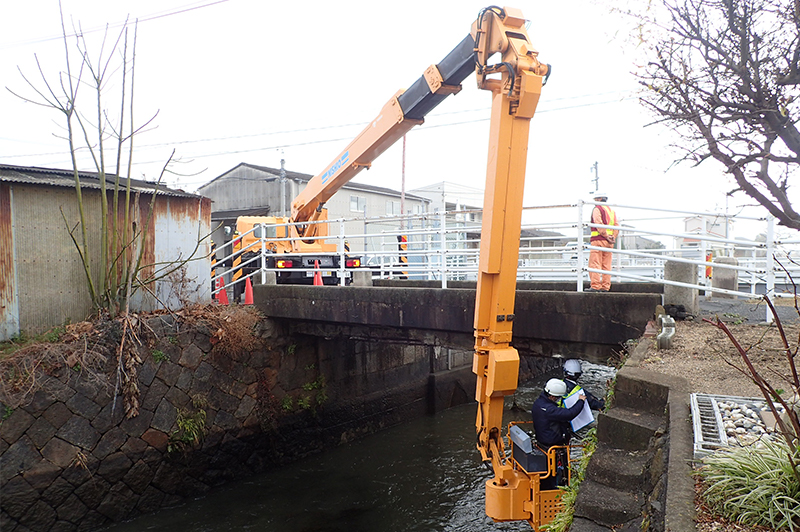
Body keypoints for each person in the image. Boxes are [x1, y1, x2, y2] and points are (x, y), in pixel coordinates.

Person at [531, 378, 586, 448]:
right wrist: (581, 401)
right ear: (552, 397)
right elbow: (570, 414)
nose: (559, 399)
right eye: (559, 397)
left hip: (542, 439)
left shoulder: (538, 402)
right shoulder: (549, 409)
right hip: (552, 444)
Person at [588, 192, 618, 292]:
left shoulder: (597, 209)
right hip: (609, 242)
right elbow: (616, 226)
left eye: (596, 199)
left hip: (598, 240)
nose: (595, 201)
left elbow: (598, 223)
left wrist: (605, 235)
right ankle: (605, 287)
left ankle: (595, 286)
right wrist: (612, 236)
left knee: (595, 264)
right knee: (606, 265)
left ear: (600, 199)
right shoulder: (611, 211)